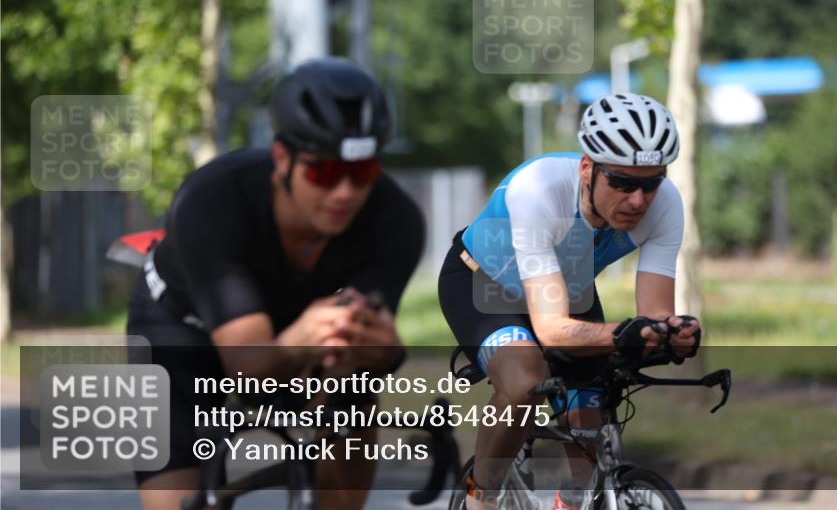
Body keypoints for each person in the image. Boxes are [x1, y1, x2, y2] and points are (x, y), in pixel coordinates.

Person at [126, 57, 425, 510]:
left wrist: (382, 355)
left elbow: (353, 359)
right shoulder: (212, 199)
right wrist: (291, 349)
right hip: (183, 330)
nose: (344, 192)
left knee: (355, 389)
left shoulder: (395, 220)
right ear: (282, 158)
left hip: (303, 334)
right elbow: (248, 370)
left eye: (363, 172)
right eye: (323, 172)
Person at [439, 93, 702, 510]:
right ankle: (480, 495)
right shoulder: (538, 189)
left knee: (591, 405)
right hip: (483, 288)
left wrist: (670, 335)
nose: (638, 200)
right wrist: (626, 333)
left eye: (651, 182)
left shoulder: (666, 205)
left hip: (566, 288)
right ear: (586, 169)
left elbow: (654, 315)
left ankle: (574, 502)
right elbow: (550, 329)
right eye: (622, 182)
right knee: (524, 379)